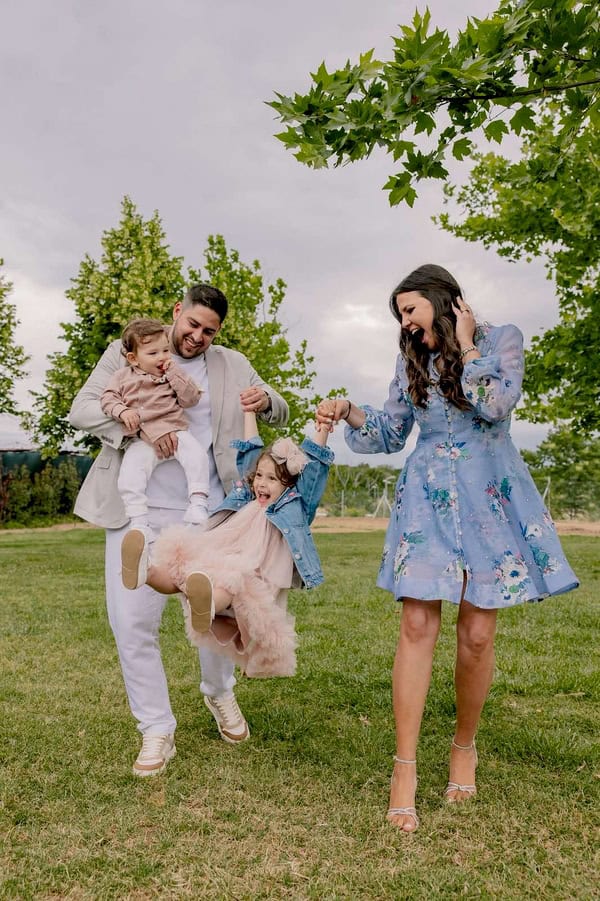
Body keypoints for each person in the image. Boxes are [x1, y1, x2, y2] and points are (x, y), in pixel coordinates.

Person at [317, 263, 579, 833]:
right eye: (400, 316)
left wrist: (465, 345)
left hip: (488, 497)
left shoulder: (501, 340)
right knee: (416, 625)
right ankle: (404, 767)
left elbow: (497, 404)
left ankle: (465, 745)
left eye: (410, 310)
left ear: (445, 301)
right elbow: (388, 432)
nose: (406, 325)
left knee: (478, 632)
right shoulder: (411, 358)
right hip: (426, 500)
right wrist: (348, 411)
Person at [69, 283, 288, 777]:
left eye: (209, 331)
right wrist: (139, 425)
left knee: (211, 610)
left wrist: (267, 397)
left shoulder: (231, 364)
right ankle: (156, 728)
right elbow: (83, 409)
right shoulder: (127, 351)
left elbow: (279, 409)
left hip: (208, 511)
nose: (197, 337)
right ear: (177, 313)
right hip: (136, 512)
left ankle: (219, 693)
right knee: (131, 623)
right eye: (192, 325)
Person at [121, 405, 334, 678]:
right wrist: (248, 413)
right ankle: (146, 571)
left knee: (231, 581)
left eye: (272, 479)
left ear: (289, 485)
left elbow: (314, 471)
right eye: (259, 476)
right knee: (181, 567)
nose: (261, 484)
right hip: (224, 549)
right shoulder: (246, 497)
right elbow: (248, 453)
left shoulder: (295, 505)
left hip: (256, 572)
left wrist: (323, 430)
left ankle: (205, 603)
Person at [100, 318, 210, 586]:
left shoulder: (171, 374)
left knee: (196, 456)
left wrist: (173, 373)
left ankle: (198, 503)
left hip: (176, 430)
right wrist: (123, 411)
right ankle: (139, 522)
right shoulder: (122, 377)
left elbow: (191, 398)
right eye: (153, 353)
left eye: (164, 350)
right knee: (130, 474)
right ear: (133, 358)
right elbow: (107, 399)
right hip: (144, 438)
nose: (162, 357)